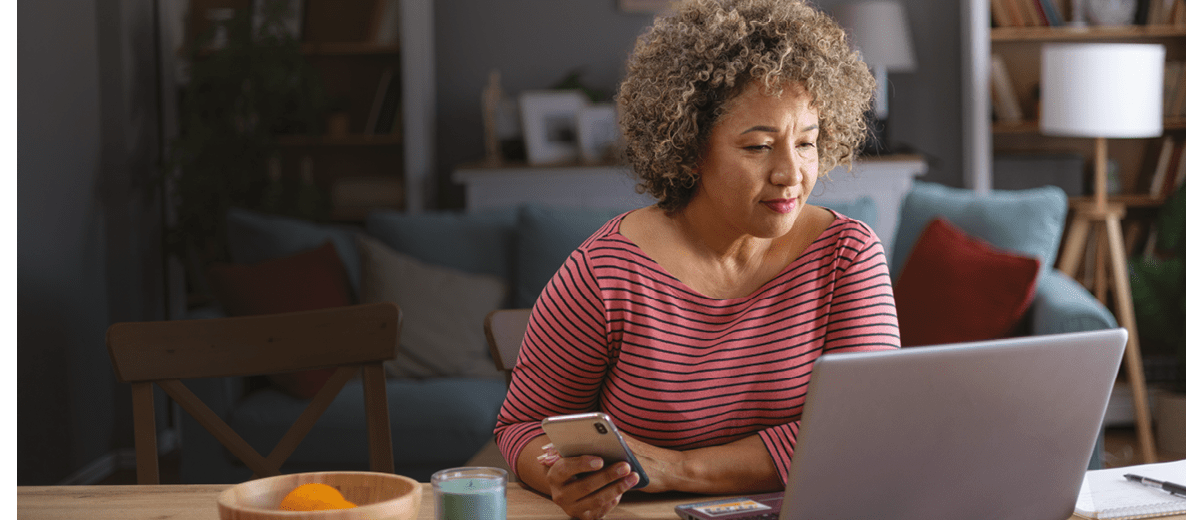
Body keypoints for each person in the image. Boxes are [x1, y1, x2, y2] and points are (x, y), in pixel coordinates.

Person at [494, 0, 900, 518]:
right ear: (687, 148)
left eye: (807, 142)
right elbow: (524, 428)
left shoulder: (846, 256)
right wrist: (557, 472)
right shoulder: (604, 274)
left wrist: (676, 468)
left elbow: (867, 429)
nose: (790, 173)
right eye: (758, 147)